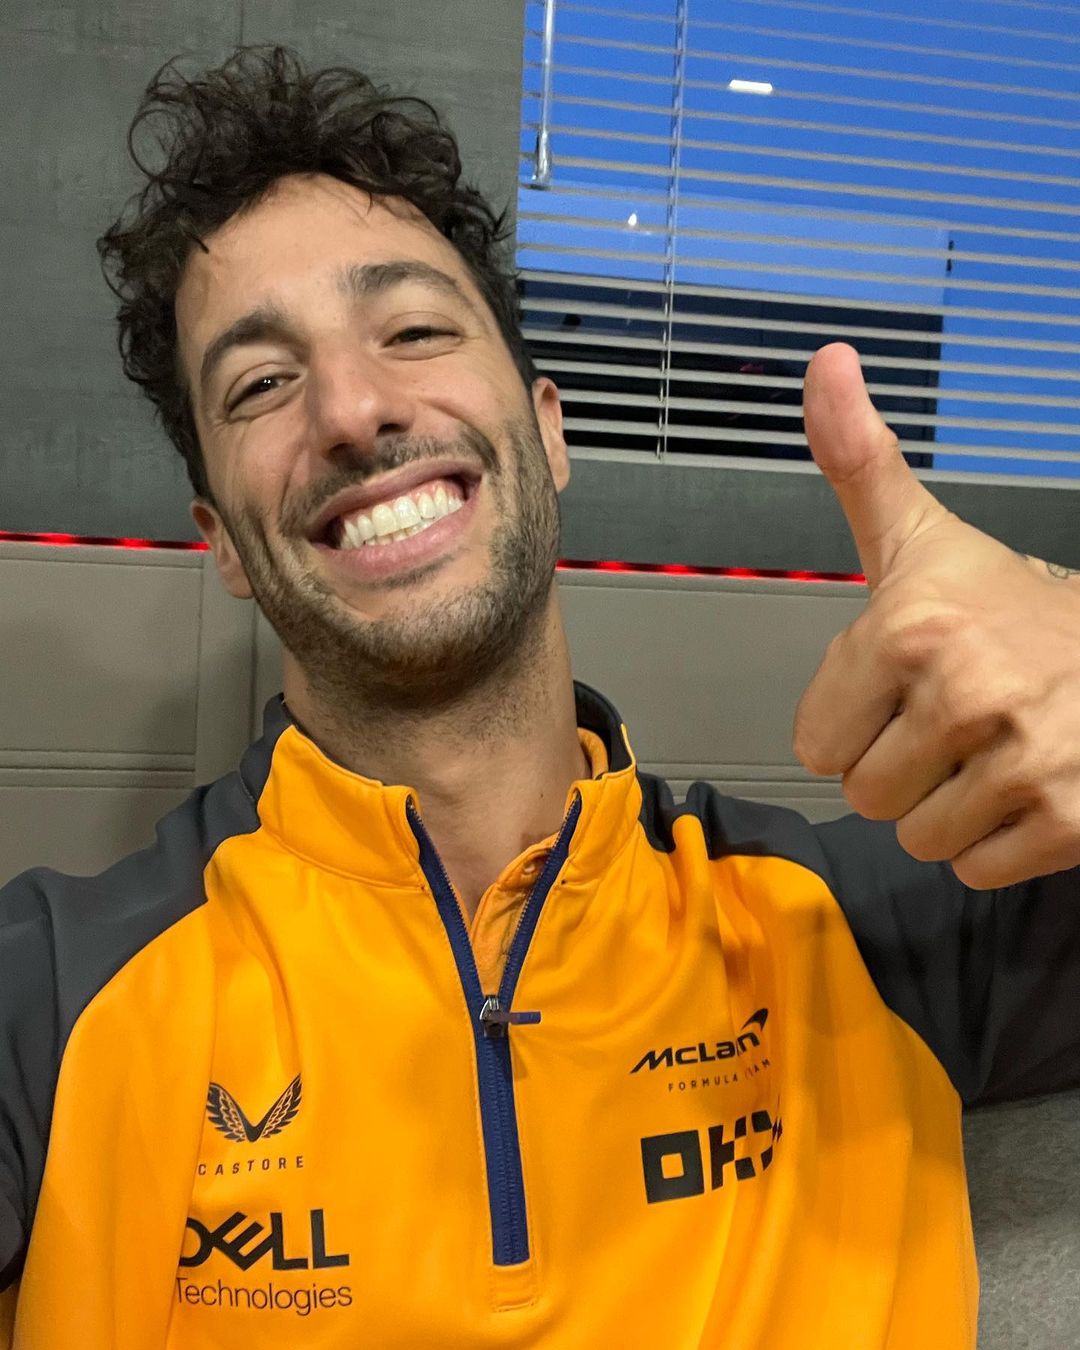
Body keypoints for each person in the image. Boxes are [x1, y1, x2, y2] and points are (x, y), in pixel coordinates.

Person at [1, 46, 1078, 1350]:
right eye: (261, 384)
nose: (352, 408)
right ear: (223, 538)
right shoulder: (49, 998)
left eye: (412, 329)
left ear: (550, 429)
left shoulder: (871, 932)